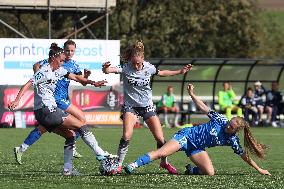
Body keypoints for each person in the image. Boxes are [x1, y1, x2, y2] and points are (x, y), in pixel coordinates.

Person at [9, 43, 114, 176]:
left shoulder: (59, 70)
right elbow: (28, 84)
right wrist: (17, 100)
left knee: (70, 136)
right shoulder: (44, 71)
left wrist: (93, 83)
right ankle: (100, 153)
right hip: (48, 110)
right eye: (61, 60)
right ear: (54, 58)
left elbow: (76, 77)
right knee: (81, 124)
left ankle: (67, 170)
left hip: (44, 113)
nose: (63, 63)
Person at [124, 84, 271, 176]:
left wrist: (259, 169)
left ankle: (191, 169)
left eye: (230, 127)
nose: (227, 125)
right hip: (187, 136)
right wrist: (192, 95)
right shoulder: (220, 119)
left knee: (210, 173)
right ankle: (133, 165)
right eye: (229, 122)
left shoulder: (232, 140)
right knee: (161, 152)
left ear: (235, 131)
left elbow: (244, 156)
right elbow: (204, 107)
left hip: (197, 148)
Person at [102, 41, 193, 174]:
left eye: (138, 63)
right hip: (130, 107)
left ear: (142, 59)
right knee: (127, 135)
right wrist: (105, 68)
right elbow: (109, 70)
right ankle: (119, 165)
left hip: (147, 107)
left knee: (160, 139)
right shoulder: (126, 67)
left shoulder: (149, 67)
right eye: (134, 63)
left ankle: (164, 163)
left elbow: (162, 73)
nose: (136, 66)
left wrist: (180, 71)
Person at [14, 40, 88, 164]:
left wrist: (87, 77)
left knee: (45, 127)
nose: (69, 53)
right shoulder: (54, 61)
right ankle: (74, 147)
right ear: (63, 50)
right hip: (55, 99)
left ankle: (21, 148)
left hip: (63, 98)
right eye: (67, 50)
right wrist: (39, 76)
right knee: (81, 120)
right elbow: (36, 65)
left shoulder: (74, 65)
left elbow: (79, 78)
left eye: (72, 51)